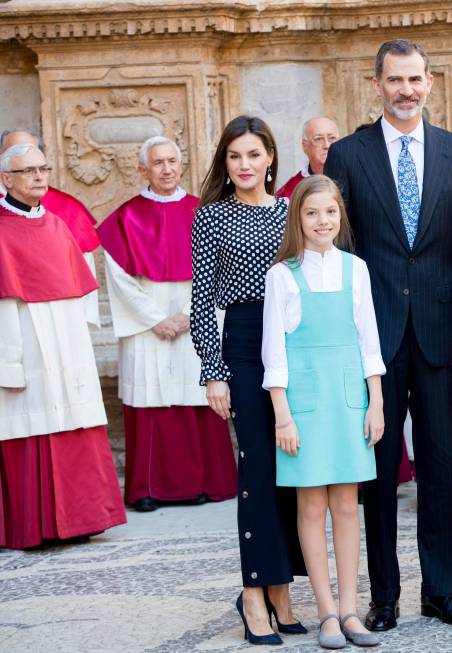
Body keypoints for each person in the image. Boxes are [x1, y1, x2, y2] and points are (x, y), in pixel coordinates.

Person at [326, 39, 452, 631]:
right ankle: (386, 595)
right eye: (395, 80)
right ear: (377, 85)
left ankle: (441, 591)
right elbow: (339, 250)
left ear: (430, 83)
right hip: (376, 339)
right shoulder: (347, 154)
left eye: (416, 79)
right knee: (381, 468)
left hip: (444, 334)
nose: (407, 90)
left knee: (441, 465)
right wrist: (350, 340)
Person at [190, 115, 305, 645]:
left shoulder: (290, 212)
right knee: (257, 470)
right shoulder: (211, 217)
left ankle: (283, 587)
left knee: (291, 470)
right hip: (242, 344)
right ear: (226, 163)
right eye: (235, 156)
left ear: (271, 159)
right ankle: (254, 593)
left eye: (254, 155)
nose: (244, 165)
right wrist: (215, 372)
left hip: (292, 344)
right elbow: (200, 304)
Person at [262, 175, 385, 649]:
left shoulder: (357, 269)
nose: (322, 221)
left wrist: (375, 402)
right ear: (299, 218)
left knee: (346, 506)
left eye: (330, 212)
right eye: (312, 213)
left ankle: (352, 607)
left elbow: (368, 341)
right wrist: (283, 416)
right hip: (304, 404)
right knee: (311, 506)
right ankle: (326, 611)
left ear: (340, 216)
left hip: (349, 398)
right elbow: (275, 354)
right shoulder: (283, 275)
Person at [98, 136, 237, 512]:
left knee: (201, 397)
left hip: (198, 320)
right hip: (148, 327)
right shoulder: (126, 217)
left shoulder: (205, 211)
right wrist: (156, 319)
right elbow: (118, 279)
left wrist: (194, 315)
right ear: (143, 169)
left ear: (182, 164)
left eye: (172, 161)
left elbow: (224, 269)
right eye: (157, 163)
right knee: (151, 402)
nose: (167, 169)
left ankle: (210, 482)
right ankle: (148, 488)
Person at [0, 143, 126, 549]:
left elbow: (78, 292)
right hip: (26, 342)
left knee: (75, 422)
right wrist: (9, 365)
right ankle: (36, 527)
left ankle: (82, 519)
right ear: (7, 180)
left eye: (43, 168)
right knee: (33, 424)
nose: (39, 176)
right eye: (28, 171)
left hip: (67, 344)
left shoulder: (57, 225)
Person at [0, 130, 101, 325]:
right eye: (16, 152)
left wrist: (83, 322)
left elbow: (83, 271)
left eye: (41, 167)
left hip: (66, 319)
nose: (37, 176)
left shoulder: (66, 211)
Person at [275, 117, 341, 199]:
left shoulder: (354, 177)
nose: (327, 145)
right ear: (305, 146)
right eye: (318, 139)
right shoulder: (289, 192)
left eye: (332, 138)